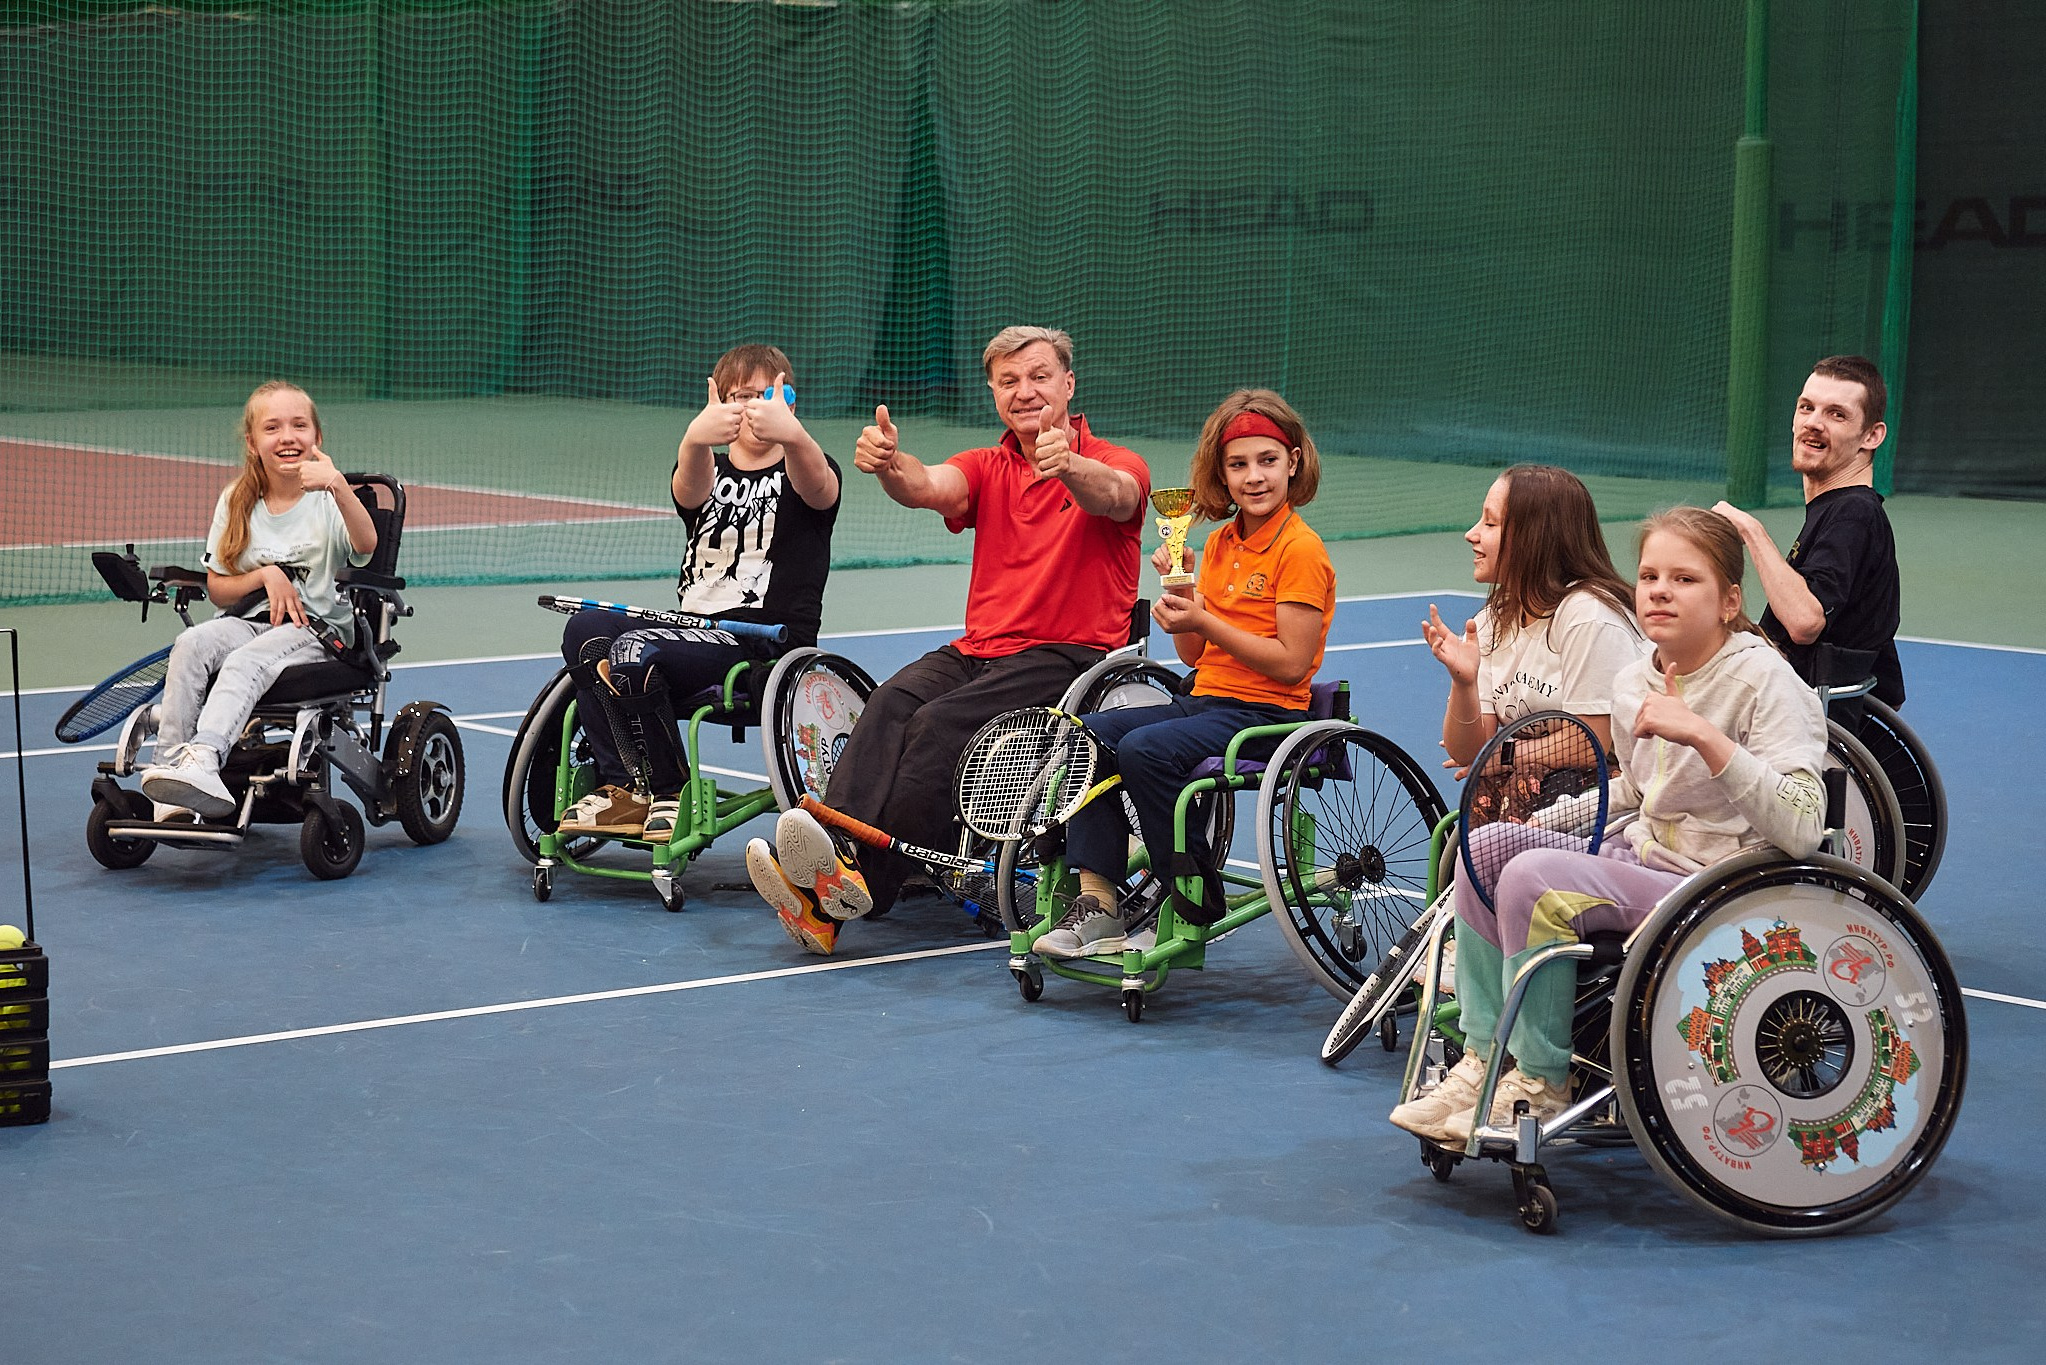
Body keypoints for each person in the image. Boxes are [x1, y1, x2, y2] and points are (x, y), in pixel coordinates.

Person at [1391, 507, 1827, 1145]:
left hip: (1725, 883)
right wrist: (1547, 817)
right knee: (1483, 848)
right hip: (1647, 857)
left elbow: (1804, 827)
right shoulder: (1636, 679)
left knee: (1534, 879)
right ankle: (1486, 1057)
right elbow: (1639, 789)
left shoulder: (1765, 681)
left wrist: (1707, 738)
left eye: (1684, 579)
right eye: (1650, 575)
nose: (1658, 590)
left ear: (1730, 600)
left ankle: (1542, 1080)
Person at [747, 325, 1150, 954]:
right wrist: (888, 464)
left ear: (1068, 384)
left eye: (1039, 376)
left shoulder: (1116, 463)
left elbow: (1118, 498)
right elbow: (926, 484)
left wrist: (1068, 464)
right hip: (980, 650)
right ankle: (832, 866)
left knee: (937, 726)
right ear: (993, 393)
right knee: (888, 705)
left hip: (1069, 657)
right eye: (1008, 381)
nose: (1025, 392)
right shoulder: (988, 466)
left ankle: (865, 883)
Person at [1034, 389, 1335, 958]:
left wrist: (1205, 619)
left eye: (1268, 461)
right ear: (1221, 473)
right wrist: (1182, 595)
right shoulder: (1219, 540)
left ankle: (1191, 890)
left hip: (1268, 714)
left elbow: (1293, 661)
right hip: (1205, 700)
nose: (1253, 477)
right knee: (1084, 734)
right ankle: (1098, 903)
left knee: (1147, 749)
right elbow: (1196, 655)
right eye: (1238, 464)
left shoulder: (1302, 550)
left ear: (1293, 462)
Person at [555, 344, 840, 842]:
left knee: (636, 650)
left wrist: (794, 436)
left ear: (788, 401)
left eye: (761, 396)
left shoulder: (807, 468)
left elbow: (819, 486)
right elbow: (689, 490)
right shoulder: (710, 472)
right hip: (689, 631)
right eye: (736, 397)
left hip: (760, 646)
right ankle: (626, 788)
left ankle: (670, 790)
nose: (749, 408)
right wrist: (692, 441)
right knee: (585, 631)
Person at [139, 381, 378, 819]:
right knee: (190, 645)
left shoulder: (330, 498)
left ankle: (206, 758)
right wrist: (267, 575)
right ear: (253, 443)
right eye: (273, 428)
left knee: (244, 662)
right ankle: (172, 772)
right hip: (251, 621)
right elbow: (218, 588)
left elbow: (367, 546)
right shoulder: (237, 499)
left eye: (299, 425)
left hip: (316, 630)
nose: (287, 436)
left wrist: (340, 486)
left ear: (316, 437)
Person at [1712, 355, 1904, 725]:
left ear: (1872, 436)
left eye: (1836, 414)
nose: (1813, 423)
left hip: (1795, 721)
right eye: (1807, 408)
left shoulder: (1854, 514)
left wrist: (1751, 531)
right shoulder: (1838, 510)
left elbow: (1804, 622)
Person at [1422, 465, 1646, 777]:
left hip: (1616, 792)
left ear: (1533, 537)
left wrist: (1506, 754)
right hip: (1545, 787)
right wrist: (1464, 683)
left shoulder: (1587, 615)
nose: (1471, 534)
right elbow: (1466, 752)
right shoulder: (1490, 622)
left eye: (1490, 523)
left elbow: (1591, 741)